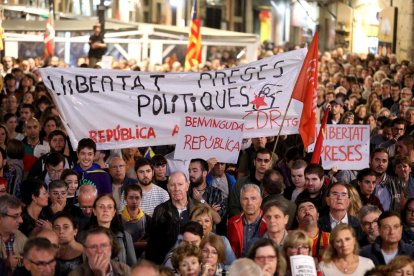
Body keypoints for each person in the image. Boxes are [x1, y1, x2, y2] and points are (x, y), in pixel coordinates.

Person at [147, 171, 198, 264]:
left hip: (194, 262)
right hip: (166, 264)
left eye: (180, 184)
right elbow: (153, 244)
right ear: (168, 188)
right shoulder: (160, 210)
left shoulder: (198, 208)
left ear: (187, 186)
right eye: (172, 185)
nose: (176, 188)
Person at [79, 194, 136, 266]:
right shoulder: (82, 237)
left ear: (114, 212)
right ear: (94, 211)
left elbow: (133, 266)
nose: (105, 210)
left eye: (109, 207)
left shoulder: (125, 237)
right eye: (101, 207)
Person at [229, 148, 274, 217]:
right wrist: (245, 221)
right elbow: (233, 207)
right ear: (254, 162)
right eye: (259, 160)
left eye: (266, 161)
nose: (262, 164)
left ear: (270, 163)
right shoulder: (240, 183)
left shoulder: (274, 185)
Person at [228, 184, 266, 258]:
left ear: (260, 201)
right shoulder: (232, 222)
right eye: (245, 199)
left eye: (253, 198)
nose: (249, 203)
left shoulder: (269, 222)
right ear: (240, 201)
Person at [189, 158, 226, 224]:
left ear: (204, 173)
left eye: (194, 171)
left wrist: (201, 200)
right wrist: (210, 210)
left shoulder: (216, 192)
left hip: (209, 233)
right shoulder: (186, 191)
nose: (190, 174)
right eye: (189, 171)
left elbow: (217, 219)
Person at [120, 184, 151, 258]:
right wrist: (135, 245)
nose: (134, 201)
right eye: (131, 198)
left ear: (141, 198)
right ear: (125, 198)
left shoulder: (148, 219)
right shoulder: (117, 219)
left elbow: (150, 242)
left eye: (137, 198)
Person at [0, 195, 27, 274]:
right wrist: (4, 264)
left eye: (20, 215)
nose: (21, 220)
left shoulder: (22, 238)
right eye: (15, 216)